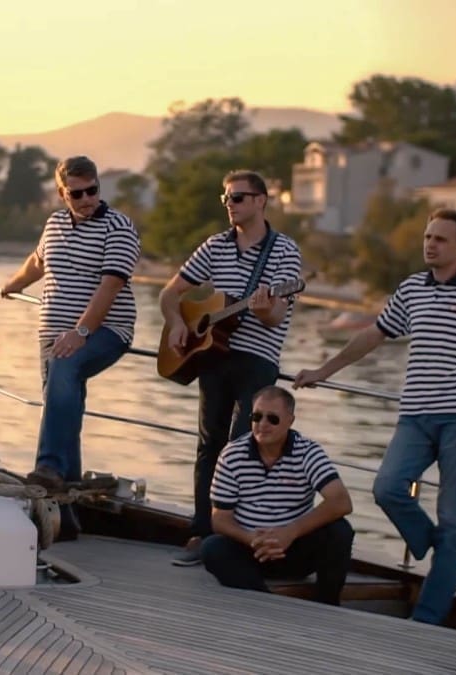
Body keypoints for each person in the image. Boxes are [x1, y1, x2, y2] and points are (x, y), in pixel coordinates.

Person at [294, 207, 456, 625]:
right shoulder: (412, 288)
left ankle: (428, 618)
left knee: (454, 519)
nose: (430, 244)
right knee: (387, 488)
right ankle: (438, 551)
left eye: (440, 238)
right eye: (428, 237)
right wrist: (323, 372)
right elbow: (372, 336)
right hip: (415, 415)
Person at [159, 170, 302, 566]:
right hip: (212, 356)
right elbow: (170, 292)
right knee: (209, 445)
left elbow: (276, 317)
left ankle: (237, 539)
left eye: (238, 198)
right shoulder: (215, 245)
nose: (230, 205)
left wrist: (265, 307)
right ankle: (202, 532)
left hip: (257, 360)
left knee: (243, 446)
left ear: (260, 200)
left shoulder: (284, 250)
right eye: (226, 198)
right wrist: (177, 322)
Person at [0, 155, 141, 489]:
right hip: (52, 334)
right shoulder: (54, 223)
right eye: (77, 194)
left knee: (64, 369)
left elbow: (111, 286)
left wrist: (81, 332)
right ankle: (68, 496)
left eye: (92, 190)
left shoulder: (119, 227)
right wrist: (13, 285)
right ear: (62, 194)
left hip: (105, 331)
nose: (87, 199)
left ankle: (48, 467)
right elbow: (37, 262)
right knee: (63, 407)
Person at [200, 386, 354, 604]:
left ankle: (327, 604)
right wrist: (251, 539)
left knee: (340, 531)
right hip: (251, 550)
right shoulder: (232, 455)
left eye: (272, 419)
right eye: (256, 416)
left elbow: (341, 502)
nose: (262, 424)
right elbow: (219, 519)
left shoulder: (308, 452)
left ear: (290, 421)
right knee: (212, 548)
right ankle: (265, 601)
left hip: (295, 549)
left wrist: (290, 532)